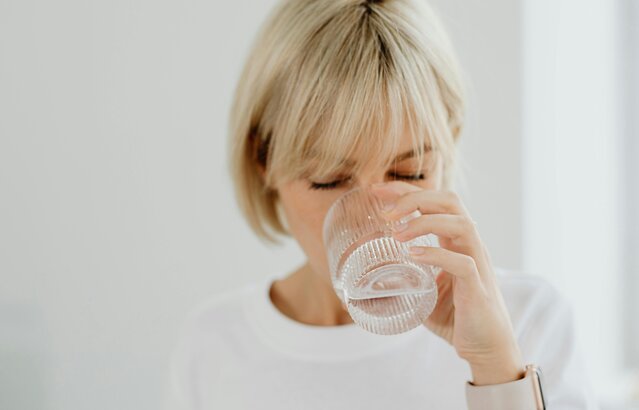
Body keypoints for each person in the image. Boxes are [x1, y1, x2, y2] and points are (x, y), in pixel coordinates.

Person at [165, 0, 598, 408]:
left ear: (447, 145)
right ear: (263, 161)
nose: (380, 218)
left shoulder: (529, 321)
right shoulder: (215, 346)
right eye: (329, 179)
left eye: (409, 173)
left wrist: (495, 369)